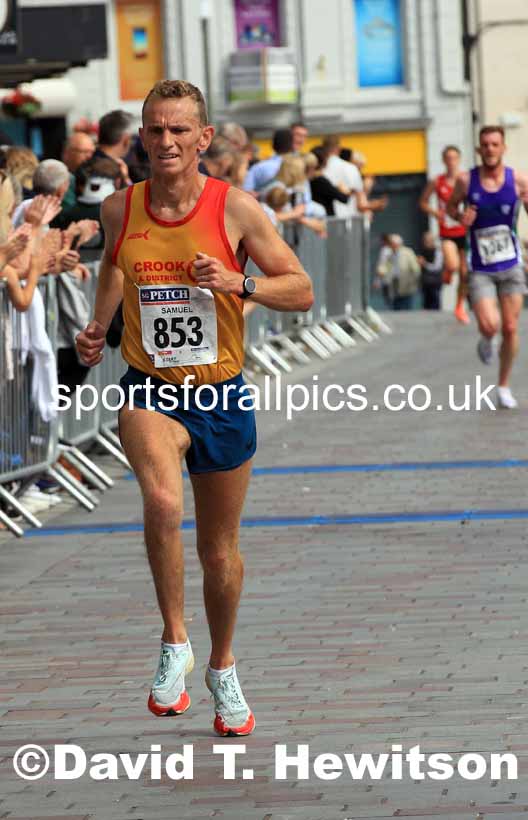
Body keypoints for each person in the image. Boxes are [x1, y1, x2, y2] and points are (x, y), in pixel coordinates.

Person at [75, 79, 313, 737]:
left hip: (221, 393)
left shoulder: (234, 209)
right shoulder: (120, 207)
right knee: (160, 501)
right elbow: (116, 266)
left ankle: (222, 665)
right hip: (150, 386)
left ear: (203, 138)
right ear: (140, 138)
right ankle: (174, 640)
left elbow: (301, 289)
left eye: (179, 130)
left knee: (219, 554)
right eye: (155, 129)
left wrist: (240, 282)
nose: (166, 141)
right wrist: (97, 328)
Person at [448, 125, 528, 409]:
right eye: (485, 145)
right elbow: (451, 209)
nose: (490, 149)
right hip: (480, 267)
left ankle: (503, 385)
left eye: (495, 144)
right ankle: (486, 338)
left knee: (511, 327)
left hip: (511, 263)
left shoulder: (519, 181)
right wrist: (460, 216)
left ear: (503, 148)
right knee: (491, 326)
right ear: (479, 149)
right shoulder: (467, 181)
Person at [420, 145, 470, 324]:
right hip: (447, 231)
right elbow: (423, 202)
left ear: (459, 159)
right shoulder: (437, 181)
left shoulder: (466, 180)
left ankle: (459, 306)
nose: (451, 162)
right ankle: (448, 271)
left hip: (464, 230)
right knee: (453, 265)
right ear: (443, 160)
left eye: (454, 158)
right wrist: (436, 213)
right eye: (448, 158)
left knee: (465, 274)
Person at [243, 128, 292, 194]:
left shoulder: (258, 167)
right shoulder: (298, 167)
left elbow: (246, 191)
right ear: (291, 145)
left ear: (273, 144)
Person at [93, 109, 134, 188]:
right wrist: (126, 179)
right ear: (126, 140)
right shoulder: (115, 172)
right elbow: (134, 199)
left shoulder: (87, 161)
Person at [309, 145, 350, 216]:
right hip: (324, 219)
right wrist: (345, 191)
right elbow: (343, 198)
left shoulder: (309, 180)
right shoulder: (320, 180)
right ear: (324, 160)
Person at [61, 132, 96, 209]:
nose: (89, 157)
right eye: (84, 152)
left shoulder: (94, 177)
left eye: (92, 152)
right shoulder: (60, 179)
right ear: (66, 153)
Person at [418, 232, 444, 310]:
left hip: (435, 282)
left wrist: (424, 264)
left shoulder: (438, 252)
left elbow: (437, 267)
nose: (426, 242)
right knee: (426, 304)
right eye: (425, 240)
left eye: (428, 240)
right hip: (425, 282)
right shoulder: (422, 251)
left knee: (435, 303)